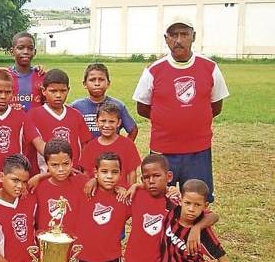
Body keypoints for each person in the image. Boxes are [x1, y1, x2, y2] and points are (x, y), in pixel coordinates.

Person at [132, 16, 229, 202]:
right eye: (173, 35)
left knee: (196, 200)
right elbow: (142, 108)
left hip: (198, 149)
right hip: (163, 149)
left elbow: (215, 106)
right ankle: (164, 232)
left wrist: (192, 120)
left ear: (193, 36)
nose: (178, 40)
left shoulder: (210, 67)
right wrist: (168, 120)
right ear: (166, 38)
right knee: (160, 201)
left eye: (184, 34)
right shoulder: (153, 70)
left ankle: (195, 232)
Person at [118, 154, 174, 262]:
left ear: (168, 176)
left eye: (156, 176)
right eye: (146, 177)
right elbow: (115, 189)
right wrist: (136, 185)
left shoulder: (174, 201)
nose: (151, 181)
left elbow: (206, 215)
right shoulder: (136, 195)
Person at [74, 152, 129, 262]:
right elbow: (64, 172)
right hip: (84, 260)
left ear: (121, 174)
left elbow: (147, 194)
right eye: (104, 172)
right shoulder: (84, 189)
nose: (109, 176)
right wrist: (38, 177)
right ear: (95, 172)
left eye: (114, 172)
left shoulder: (124, 198)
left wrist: (133, 186)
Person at [27, 69, 92, 173]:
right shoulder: (33, 115)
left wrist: (84, 170)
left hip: (74, 174)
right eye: (53, 91)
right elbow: (39, 145)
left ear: (68, 90)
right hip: (46, 175)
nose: (58, 95)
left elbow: (85, 146)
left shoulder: (76, 115)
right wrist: (62, 166)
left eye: (62, 91)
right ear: (44, 91)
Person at [79, 102, 141, 187]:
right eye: (103, 121)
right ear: (97, 122)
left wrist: (129, 193)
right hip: (97, 195)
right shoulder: (90, 146)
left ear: (119, 123)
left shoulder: (127, 144)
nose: (107, 125)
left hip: (121, 195)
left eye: (112, 121)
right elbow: (86, 173)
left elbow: (132, 173)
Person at [71, 63, 138, 140]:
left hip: (110, 151)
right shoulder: (76, 107)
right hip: (86, 151)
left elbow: (133, 130)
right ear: (85, 84)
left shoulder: (118, 106)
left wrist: (123, 148)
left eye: (101, 79)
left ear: (108, 83)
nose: (97, 83)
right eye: (92, 80)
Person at [8, 32, 44, 112]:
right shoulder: (5, 76)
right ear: (12, 51)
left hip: (36, 123)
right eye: (20, 48)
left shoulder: (41, 75)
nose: (26, 52)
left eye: (30, 48)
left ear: (34, 52)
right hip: (11, 123)